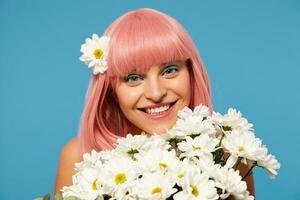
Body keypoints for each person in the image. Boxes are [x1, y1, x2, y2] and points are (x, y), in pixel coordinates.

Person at [54, 8, 255, 196]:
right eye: (133, 78)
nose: (156, 93)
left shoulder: (226, 150)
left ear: (192, 73)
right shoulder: (78, 156)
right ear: (111, 89)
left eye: (170, 71)